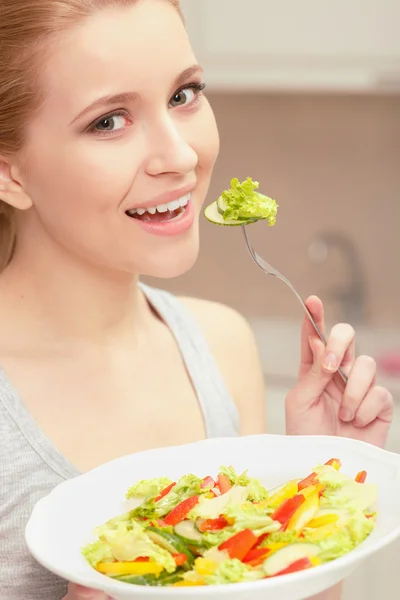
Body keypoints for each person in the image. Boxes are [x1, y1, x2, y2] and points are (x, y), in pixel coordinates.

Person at [0, 1, 393, 599]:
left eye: (184, 95)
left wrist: (315, 492)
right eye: (109, 121)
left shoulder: (222, 345)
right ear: (10, 173)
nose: (181, 156)